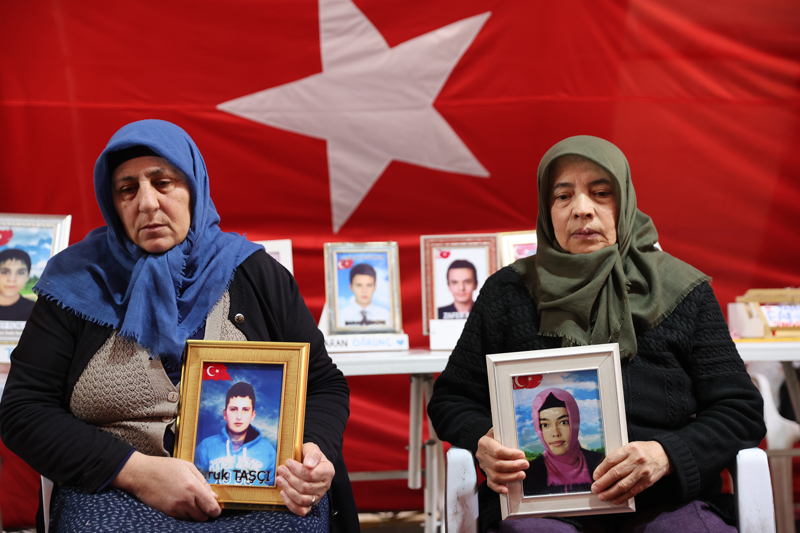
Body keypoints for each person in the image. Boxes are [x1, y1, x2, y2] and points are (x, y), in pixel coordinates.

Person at [0, 120, 358, 533]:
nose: (147, 203)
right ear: (112, 202)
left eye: (163, 183)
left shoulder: (255, 273)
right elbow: (23, 410)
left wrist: (314, 451)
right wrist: (135, 471)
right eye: (127, 189)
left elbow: (323, 384)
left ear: (194, 188)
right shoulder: (75, 281)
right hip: (115, 492)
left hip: (258, 491)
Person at [427, 135, 765, 532]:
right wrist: (483, 440)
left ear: (624, 201)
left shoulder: (682, 292)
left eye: (601, 193)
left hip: (664, 500)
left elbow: (740, 410)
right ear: (547, 210)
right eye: (563, 196)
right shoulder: (508, 292)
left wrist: (666, 454)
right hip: (541, 506)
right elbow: (452, 398)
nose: (582, 209)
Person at [522, 388, 604, 497]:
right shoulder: (528, 474)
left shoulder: (601, 463)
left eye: (563, 422)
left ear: (574, 422)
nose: (555, 433)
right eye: (545, 425)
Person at [195, 382, 277, 487]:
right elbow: (194, 483)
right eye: (233, 409)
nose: (239, 416)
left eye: (245, 410)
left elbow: (276, 490)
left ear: (252, 415)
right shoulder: (206, 446)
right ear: (225, 414)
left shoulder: (267, 450)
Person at [0, 249, 35, 321]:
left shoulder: (35, 311)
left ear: (27, 276)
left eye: (21, 272)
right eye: (5, 272)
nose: (12, 279)